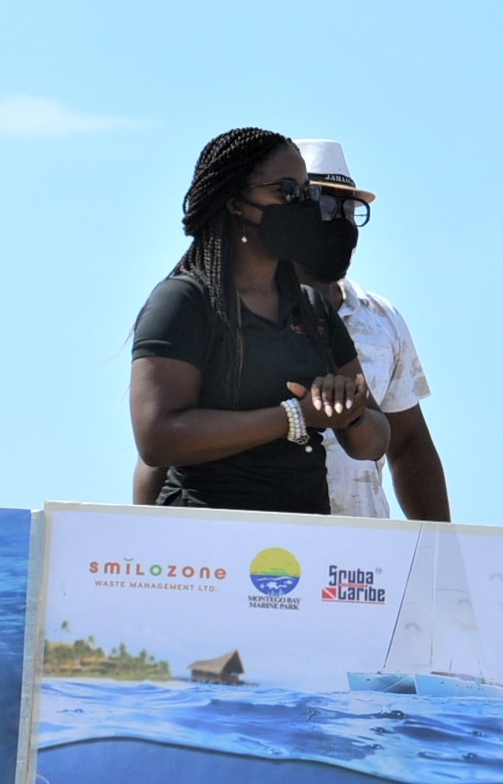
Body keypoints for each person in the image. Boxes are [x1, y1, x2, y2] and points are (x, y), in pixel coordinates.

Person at [130, 128, 388, 512]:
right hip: (202, 547)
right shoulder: (184, 301)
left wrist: (349, 414)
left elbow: (374, 441)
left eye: (307, 193)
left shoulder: (312, 308)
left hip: (302, 548)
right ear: (235, 201)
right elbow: (157, 438)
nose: (303, 207)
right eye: (286, 191)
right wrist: (294, 416)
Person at [292, 139, 450, 521]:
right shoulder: (235, 312)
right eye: (326, 205)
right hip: (251, 555)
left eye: (351, 209)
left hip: (361, 560)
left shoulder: (381, 318)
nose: (340, 220)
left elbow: (409, 444)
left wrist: (441, 554)